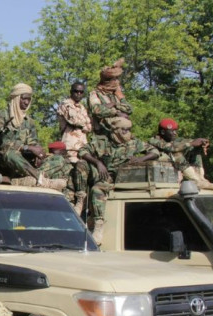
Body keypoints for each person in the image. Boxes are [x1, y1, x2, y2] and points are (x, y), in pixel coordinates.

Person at [79, 118, 159, 244]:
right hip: (109, 176)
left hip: (128, 178)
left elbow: (155, 152)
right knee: (96, 189)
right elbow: (82, 151)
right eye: (124, 129)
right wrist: (98, 162)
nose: (127, 132)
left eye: (128, 129)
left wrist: (141, 159)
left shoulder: (134, 142)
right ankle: (98, 224)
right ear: (115, 130)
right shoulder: (102, 141)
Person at [0, 83, 43, 180]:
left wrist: (38, 154)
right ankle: (39, 178)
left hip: (23, 159)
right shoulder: (2, 116)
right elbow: (2, 145)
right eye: (24, 98)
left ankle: (34, 177)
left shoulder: (29, 121)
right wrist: (26, 147)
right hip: (3, 158)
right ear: (16, 98)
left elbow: (34, 143)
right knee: (11, 153)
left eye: (29, 99)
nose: (26, 102)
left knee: (57, 158)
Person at [147, 118, 213, 189]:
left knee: (195, 150)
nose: (175, 133)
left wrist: (201, 142)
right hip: (159, 162)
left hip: (172, 164)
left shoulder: (172, 139)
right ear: (163, 132)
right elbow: (172, 148)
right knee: (177, 154)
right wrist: (192, 143)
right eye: (172, 131)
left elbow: (185, 141)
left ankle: (201, 178)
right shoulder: (154, 140)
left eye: (175, 131)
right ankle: (195, 180)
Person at [57, 82, 92, 212]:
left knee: (82, 176)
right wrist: (83, 125)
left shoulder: (82, 107)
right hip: (69, 147)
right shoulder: (65, 104)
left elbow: (89, 126)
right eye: (76, 91)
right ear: (71, 92)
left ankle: (80, 203)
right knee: (70, 178)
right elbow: (73, 120)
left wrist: (83, 125)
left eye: (81, 92)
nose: (78, 94)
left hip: (82, 148)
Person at [88, 58, 133, 136]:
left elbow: (129, 110)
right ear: (107, 81)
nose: (117, 82)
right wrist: (117, 112)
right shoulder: (95, 94)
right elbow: (97, 110)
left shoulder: (116, 94)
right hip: (103, 134)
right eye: (114, 79)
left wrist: (118, 101)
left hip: (120, 134)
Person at [41, 141, 79, 208]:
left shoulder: (58, 159)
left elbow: (41, 173)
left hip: (61, 198)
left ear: (61, 151)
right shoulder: (66, 162)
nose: (50, 154)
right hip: (62, 198)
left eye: (52, 151)